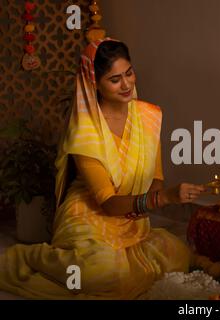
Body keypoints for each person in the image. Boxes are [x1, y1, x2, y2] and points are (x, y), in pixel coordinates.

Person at [0, 39, 206, 299]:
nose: (127, 84)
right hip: (89, 213)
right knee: (99, 272)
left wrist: (144, 205)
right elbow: (108, 202)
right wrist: (160, 199)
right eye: (115, 79)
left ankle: (123, 263)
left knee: (178, 254)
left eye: (129, 72)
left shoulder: (148, 115)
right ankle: (30, 257)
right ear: (94, 84)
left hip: (131, 215)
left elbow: (155, 178)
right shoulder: (85, 131)